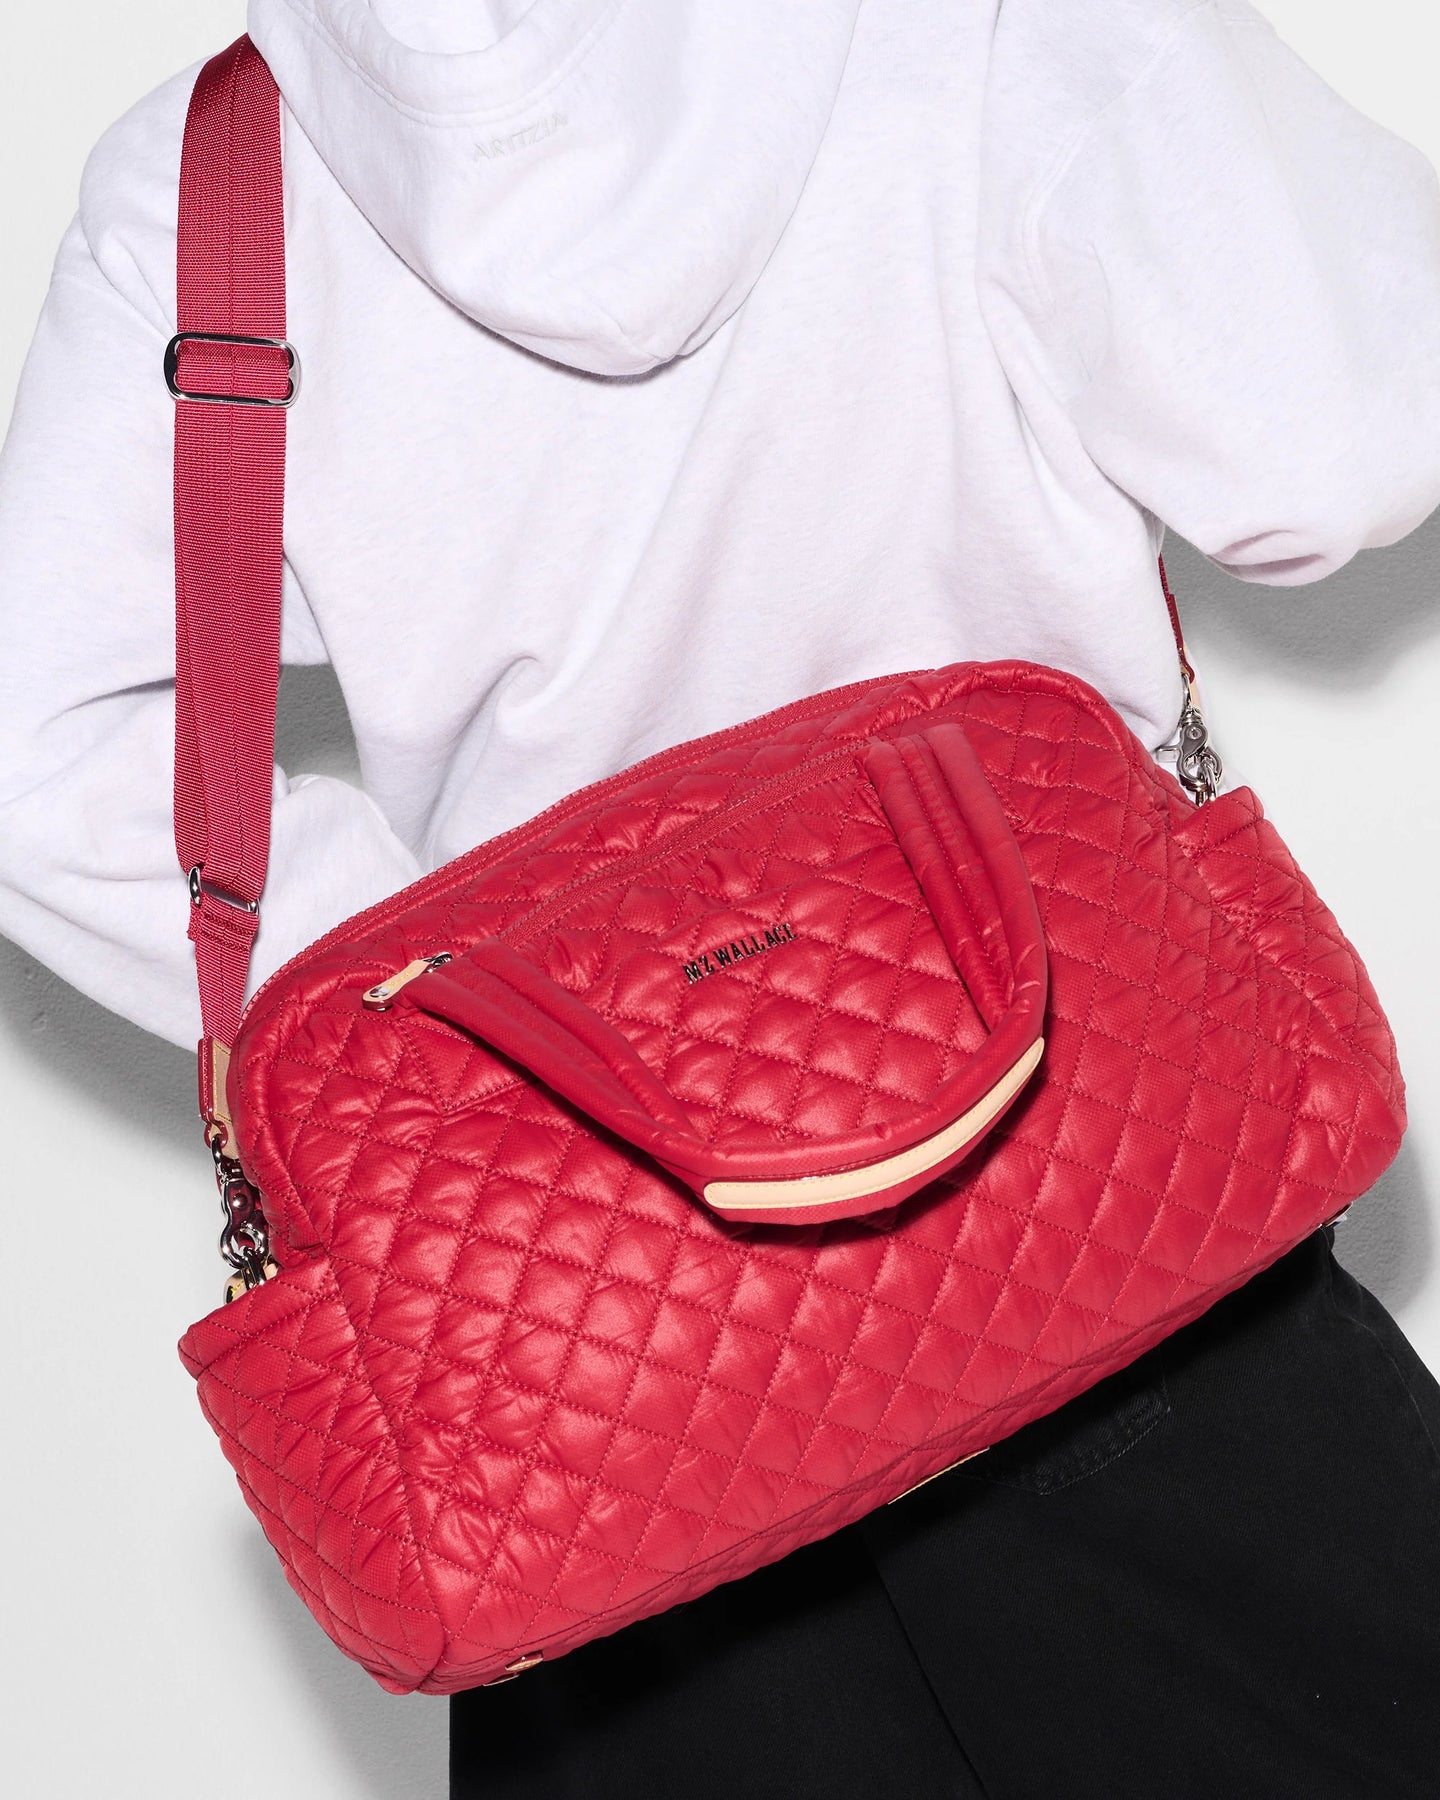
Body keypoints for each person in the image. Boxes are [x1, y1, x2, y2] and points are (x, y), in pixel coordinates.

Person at [1, 1, 1438, 1795]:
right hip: (1122, 1228)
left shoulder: (211, 183)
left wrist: (482, 1024)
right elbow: (1350, 430)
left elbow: (29, 746)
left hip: (602, 1410)